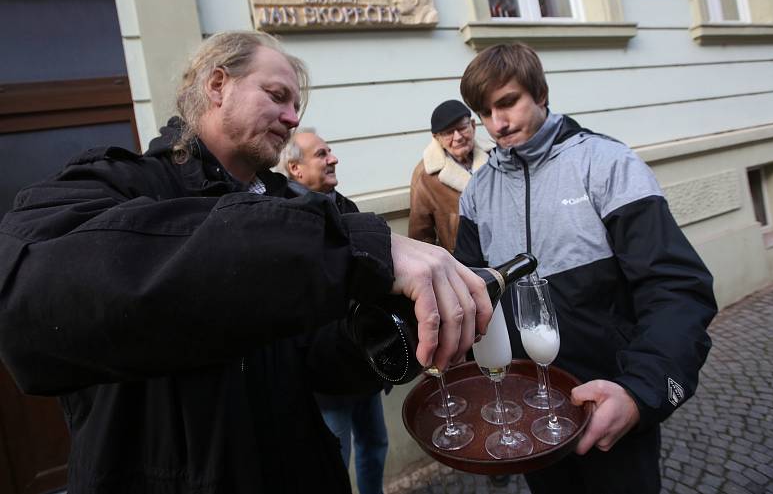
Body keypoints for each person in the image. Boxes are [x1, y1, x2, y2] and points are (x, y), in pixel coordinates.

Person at [0, 31, 493, 494]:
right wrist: (351, 246)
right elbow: (29, 303)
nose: (293, 117)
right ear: (218, 84)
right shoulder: (119, 184)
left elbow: (322, 363)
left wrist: (390, 336)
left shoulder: (310, 209)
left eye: (297, 105)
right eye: (278, 95)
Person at [454, 43, 718, 493]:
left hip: (609, 401)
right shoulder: (477, 192)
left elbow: (676, 288)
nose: (496, 124)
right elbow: (475, 300)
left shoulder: (608, 163)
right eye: (484, 111)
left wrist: (640, 391)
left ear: (540, 93)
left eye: (507, 103)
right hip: (530, 407)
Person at [277, 128, 388, 494]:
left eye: (330, 152)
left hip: (363, 364)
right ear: (295, 169)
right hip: (325, 378)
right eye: (322, 154)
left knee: (375, 446)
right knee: (332, 463)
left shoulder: (344, 207)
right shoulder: (283, 220)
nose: (333, 158)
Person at [408, 100, 490, 252]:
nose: (457, 137)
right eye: (448, 133)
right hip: (463, 263)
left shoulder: (496, 157)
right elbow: (420, 236)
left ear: (473, 125)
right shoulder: (425, 176)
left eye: (462, 128)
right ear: (436, 138)